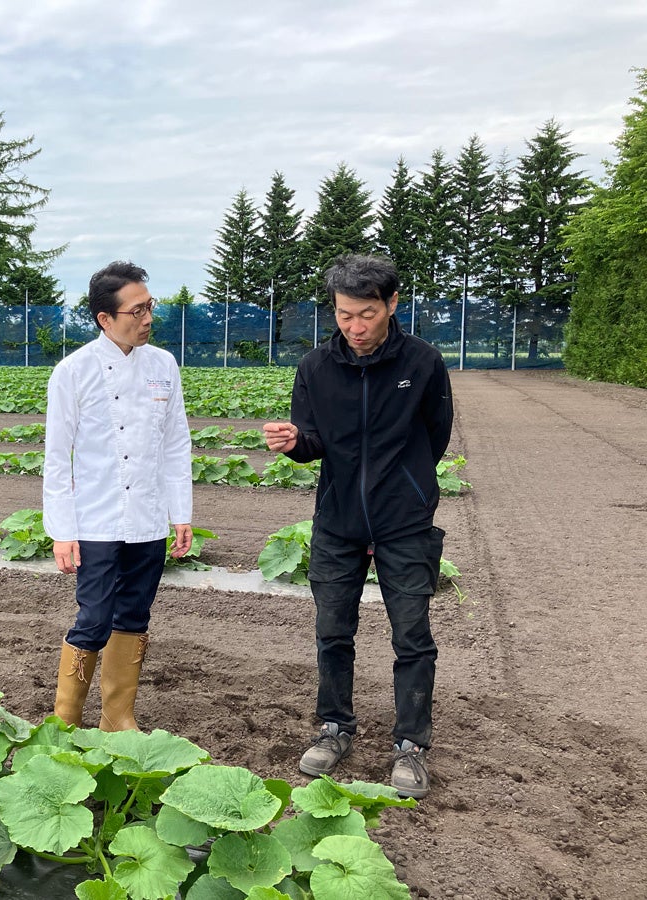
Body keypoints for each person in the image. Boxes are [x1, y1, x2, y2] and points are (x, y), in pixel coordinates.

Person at [263, 253, 453, 799]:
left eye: (367, 313)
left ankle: (411, 745)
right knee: (331, 631)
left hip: (405, 523)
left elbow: (435, 436)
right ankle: (334, 728)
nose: (355, 327)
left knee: (412, 635)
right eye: (345, 315)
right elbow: (313, 441)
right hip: (337, 521)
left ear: (392, 304)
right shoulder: (316, 368)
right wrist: (295, 443)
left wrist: (407, 489)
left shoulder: (423, 363)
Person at [43, 260, 193, 732]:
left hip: (147, 518)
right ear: (105, 319)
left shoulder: (163, 365)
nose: (147, 318)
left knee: (133, 616)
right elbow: (56, 457)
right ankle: (64, 722)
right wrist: (62, 531)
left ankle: (117, 718)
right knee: (94, 617)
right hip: (95, 520)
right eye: (136, 310)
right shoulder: (74, 371)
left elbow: (176, 443)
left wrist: (180, 512)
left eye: (150, 306)